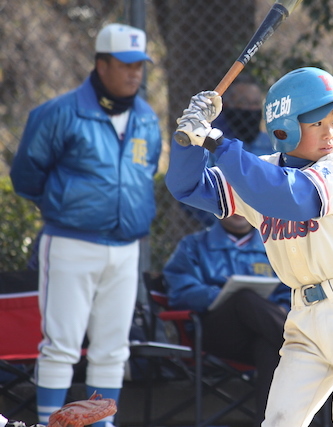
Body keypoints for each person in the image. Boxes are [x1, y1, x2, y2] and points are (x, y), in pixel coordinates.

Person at [165, 66, 333, 427]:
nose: (331, 132)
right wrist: (188, 140)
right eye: (317, 123)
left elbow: (289, 196)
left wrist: (215, 141)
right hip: (304, 323)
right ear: (284, 127)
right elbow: (186, 186)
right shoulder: (258, 171)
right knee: (279, 422)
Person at [10, 23, 161, 427]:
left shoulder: (146, 118)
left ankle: (100, 424)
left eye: (140, 65)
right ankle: (49, 424)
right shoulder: (58, 112)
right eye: (126, 64)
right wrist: (66, 206)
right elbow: (26, 176)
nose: (135, 73)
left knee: (113, 350)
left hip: (126, 246)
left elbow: (143, 174)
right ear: (101, 64)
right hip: (70, 242)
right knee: (61, 345)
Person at [162, 214, 290, 426]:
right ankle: (309, 347)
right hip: (214, 336)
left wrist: (280, 308)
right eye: (231, 206)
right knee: (244, 298)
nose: (238, 211)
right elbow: (180, 293)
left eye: (242, 205)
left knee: (269, 347)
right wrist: (221, 297)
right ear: (218, 209)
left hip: (265, 334)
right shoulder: (193, 246)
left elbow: (291, 294)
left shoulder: (274, 247)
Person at [182, 75, 275, 227]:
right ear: (227, 105)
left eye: (255, 104)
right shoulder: (210, 144)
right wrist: (226, 221)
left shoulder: (271, 146)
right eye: (243, 103)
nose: (250, 109)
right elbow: (192, 191)